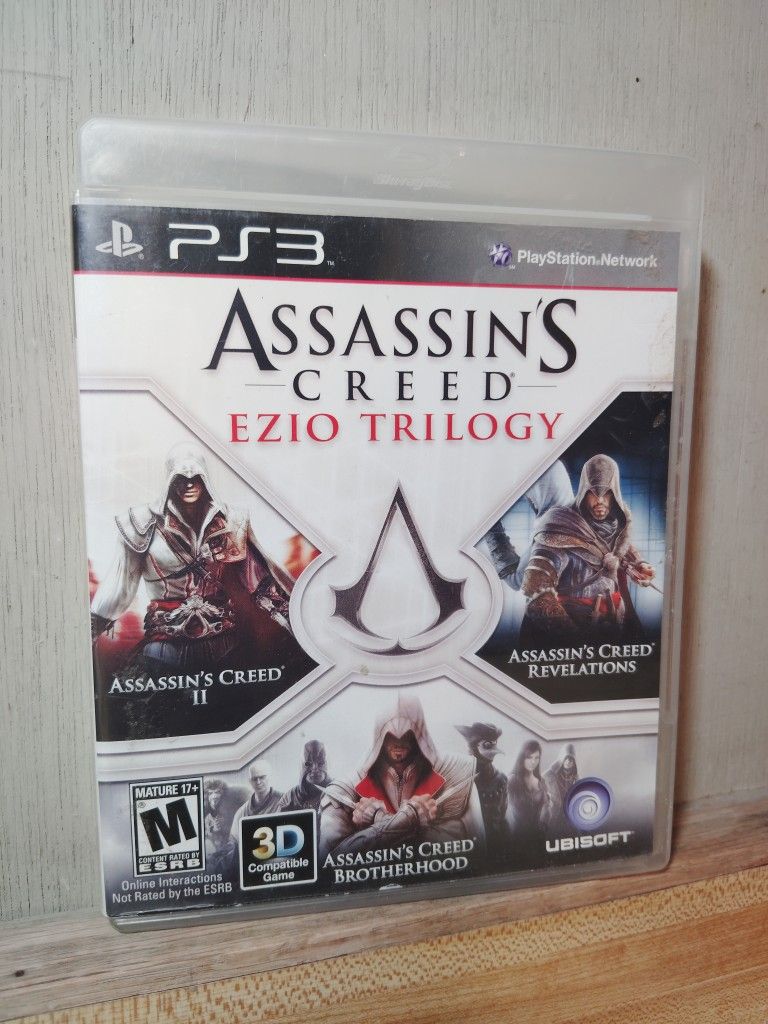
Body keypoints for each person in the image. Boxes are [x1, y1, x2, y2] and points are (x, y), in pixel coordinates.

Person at [91, 441, 294, 671]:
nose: (189, 484)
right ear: (170, 480)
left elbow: (260, 582)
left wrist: (297, 625)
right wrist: (91, 630)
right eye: (180, 478)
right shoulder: (140, 524)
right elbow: (120, 587)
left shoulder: (231, 522)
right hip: (164, 647)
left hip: (223, 644)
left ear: (205, 478)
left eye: (195, 477)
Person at [319, 695, 484, 859]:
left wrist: (379, 820)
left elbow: (477, 854)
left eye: (408, 733)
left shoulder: (459, 774)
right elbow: (328, 862)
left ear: (420, 733)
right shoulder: (342, 791)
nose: (398, 741)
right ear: (379, 734)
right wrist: (409, 819)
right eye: (390, 734)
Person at [520, 454, 655, 643]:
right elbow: (535, 590)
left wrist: (639, 565)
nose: (600, 500)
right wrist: (575, 637)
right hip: (572, 635)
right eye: (593, 492)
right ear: (584, 490)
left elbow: (619, 548)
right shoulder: (561, 525)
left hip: (615, 628)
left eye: (607, 493)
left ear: (615, 494)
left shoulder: (615, 524)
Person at [455, 722, 509, 852]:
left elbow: (502, 818)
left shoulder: (501, 779)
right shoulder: (459, 778)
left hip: (495, 846)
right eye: (487, 745)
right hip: (468, 848)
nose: (493, 750)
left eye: (494, 743)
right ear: (474, 746)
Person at [507, 740, 551, 848]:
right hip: (515, 838)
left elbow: (547, 808)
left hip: (538, 838)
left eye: (536, 758)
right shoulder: (511, 780)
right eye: (529, 757)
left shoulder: (541, 782)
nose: (533, 761)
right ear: (522, 757)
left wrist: (544, 826)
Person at [230, 759, 284, 844]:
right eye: (254, 779)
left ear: (269, 777)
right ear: (250, 781)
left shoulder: (286, 801)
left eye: (262, 777)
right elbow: (235, 843)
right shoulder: (241, 813)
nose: (258, 782)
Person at [277, 740, 331, 813]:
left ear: (327, 764)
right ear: (302, 766)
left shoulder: (339, 791)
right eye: (308, 764)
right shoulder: (289, 798)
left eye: (320, 763)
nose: (315, 769)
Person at [543, 743, 579, 834]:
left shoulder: (576, 778)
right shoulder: (549, 776)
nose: (568, 761)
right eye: (566, 758)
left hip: (569, 818)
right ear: (562, 758)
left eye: (571, 759)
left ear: (574, 762)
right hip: (553, 816)